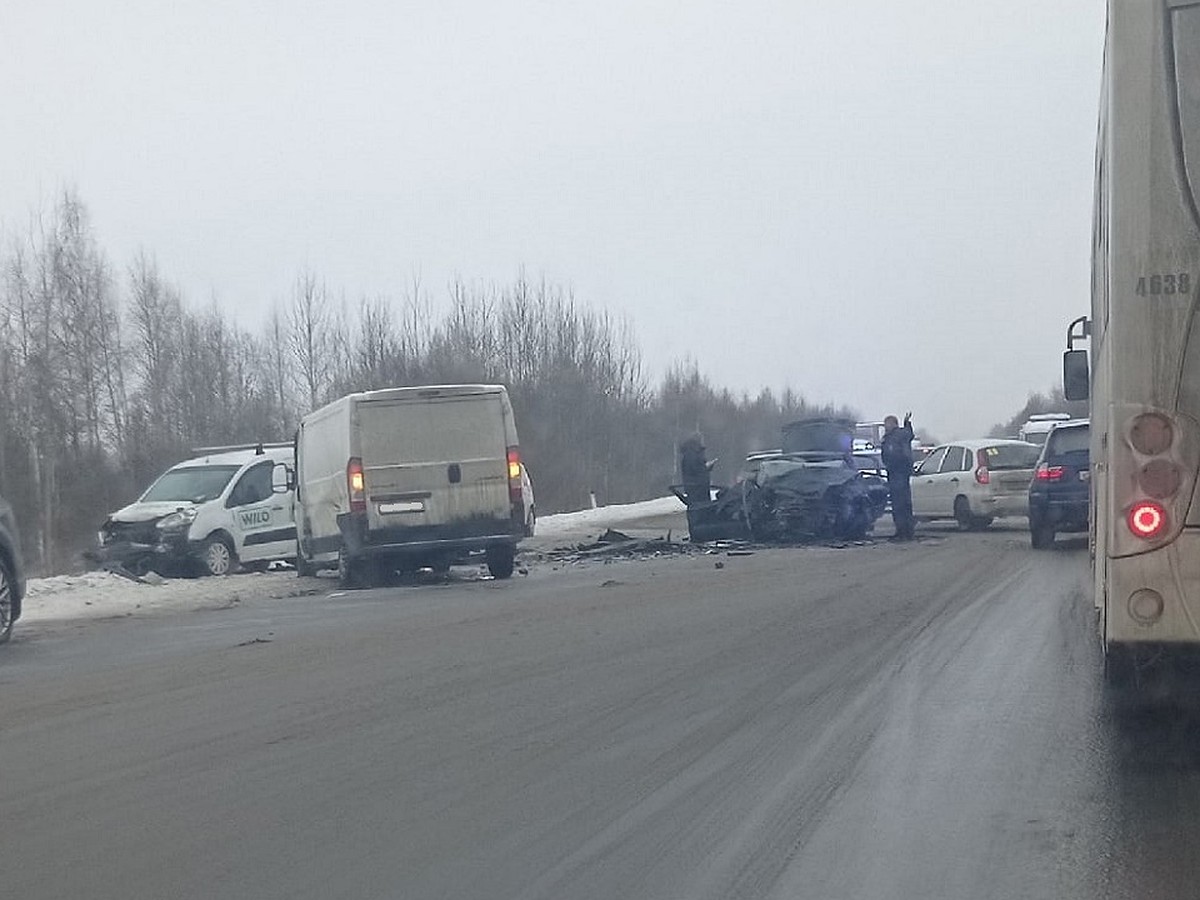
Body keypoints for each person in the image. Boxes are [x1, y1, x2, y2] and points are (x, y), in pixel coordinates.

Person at [880, 412, 916, 541]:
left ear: (893, 423)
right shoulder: (889, 437)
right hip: (896, 472)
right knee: (902, 503)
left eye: (887, 424)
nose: (885, 426)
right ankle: (904, 531)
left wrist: (907, 424)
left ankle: (904, 532)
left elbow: (909, 435)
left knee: (900, 504)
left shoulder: (897, 435)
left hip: (899, 472)